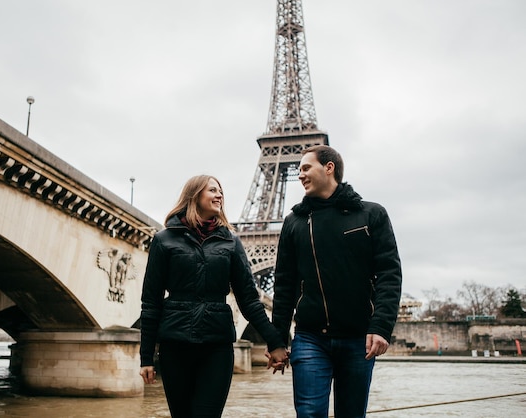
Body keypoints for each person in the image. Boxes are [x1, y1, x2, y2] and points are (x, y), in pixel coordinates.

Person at [268, 145, 402, 417]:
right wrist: (277, 339)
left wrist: (381, 326)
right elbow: (284, 285)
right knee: (309, 414)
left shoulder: (371, 214)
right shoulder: (294, 222)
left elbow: (389, 273)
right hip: (310, 337)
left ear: (329, 168)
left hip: (358, 338)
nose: (300, 174)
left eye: (306, 167)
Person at [139, 175, 289, 418]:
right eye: (212, 190)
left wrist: (276, 342)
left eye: (221, 191)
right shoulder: (163, 240)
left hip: (216, 347)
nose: (219, 195)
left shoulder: (230, 241)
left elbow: (249, 299)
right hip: (175, 346)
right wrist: (146, 357)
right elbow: (151, 302)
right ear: (194, 194)